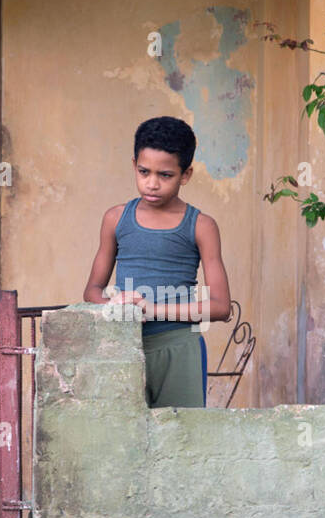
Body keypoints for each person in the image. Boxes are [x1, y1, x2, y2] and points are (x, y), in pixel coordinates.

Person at [84, 116, 232, 407]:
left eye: (165, 175)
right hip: (122, 346)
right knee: (124, 441)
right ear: (134, 165)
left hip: (179, 347)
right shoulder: (115, 219)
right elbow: (92, 291)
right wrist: (117, 307)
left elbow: (220, 306)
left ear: (185, 174)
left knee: (181, 438)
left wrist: (151, 309)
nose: (152, 184)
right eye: (144, 172)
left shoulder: (201, 225)